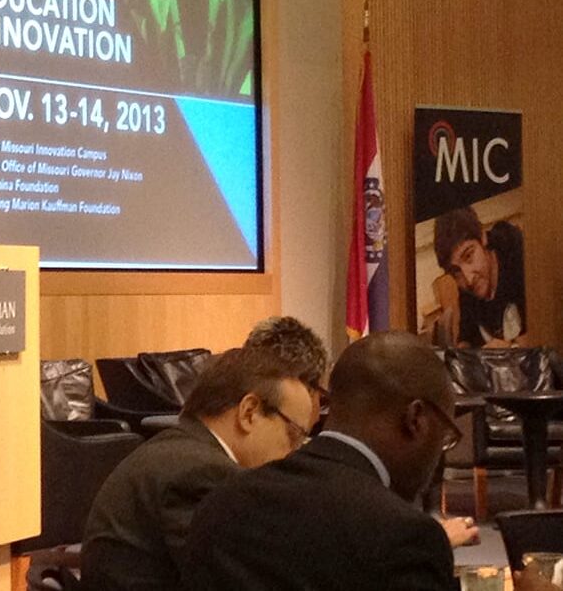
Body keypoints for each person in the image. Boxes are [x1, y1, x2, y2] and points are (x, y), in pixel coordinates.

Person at [180, 332, 464, 591]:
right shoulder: (405, 537)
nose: (439, 453)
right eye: (445, 438)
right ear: (415, 419)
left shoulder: (222, 503)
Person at [80, 347, 314, 591]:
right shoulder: (203, 473)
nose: (295, 452)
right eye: (294, 434)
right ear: (249, 412)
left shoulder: (181, 450)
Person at [433, 205, 526, 347]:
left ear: (483, 237)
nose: (468, 279)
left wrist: (511, 349)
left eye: (469, 256)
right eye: (456, 271)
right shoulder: (467, 288)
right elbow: (466, 335)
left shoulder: (522, 259)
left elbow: (551, 330)